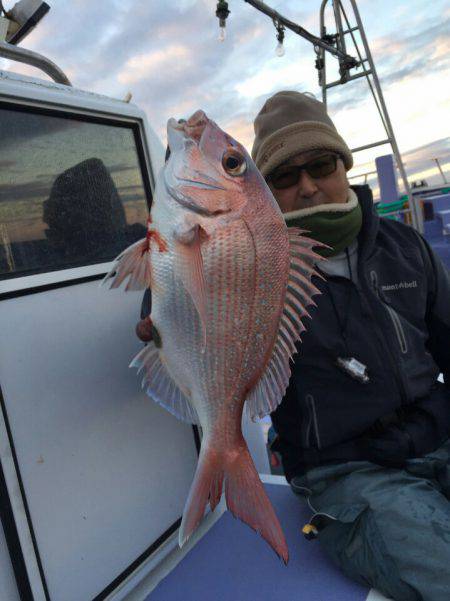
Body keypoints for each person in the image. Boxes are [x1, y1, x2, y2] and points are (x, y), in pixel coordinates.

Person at [252, 90, 450, 601]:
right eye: (284, 177)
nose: (309, 187)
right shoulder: (258, 273)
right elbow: (197, 309)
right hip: (346, 470)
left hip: (437, 435)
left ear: (343, 165)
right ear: (265, 192)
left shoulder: (406, 247)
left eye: (320, 165)